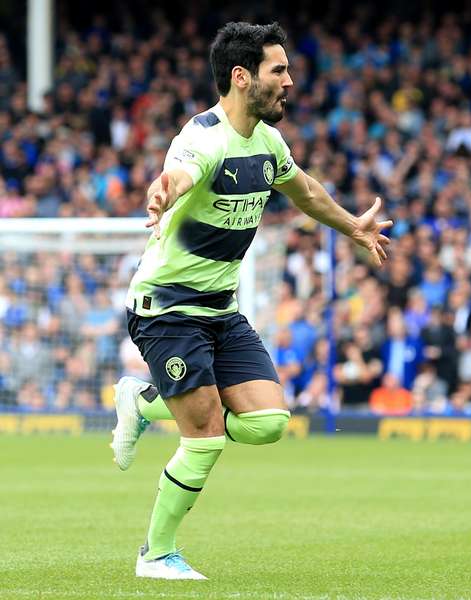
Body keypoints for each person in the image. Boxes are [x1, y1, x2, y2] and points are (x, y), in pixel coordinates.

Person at [108, 22, 392, 580]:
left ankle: (142, 403)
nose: (290, 81)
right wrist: (161, 192)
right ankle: (156, 555)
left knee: (267, 422)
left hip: (221, 310)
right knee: (207, 432)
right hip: (167, 309)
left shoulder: (267, 141)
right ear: (242, 78)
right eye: (278, 71)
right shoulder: (204, 137)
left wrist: (352, 228)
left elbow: (305, 191)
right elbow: (179, 174)